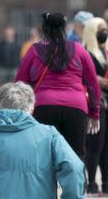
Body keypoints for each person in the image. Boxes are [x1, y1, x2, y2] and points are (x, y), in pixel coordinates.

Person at [16, 12, 102, 159]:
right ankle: (77, 182)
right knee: (76, 156)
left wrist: (20, 110)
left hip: (43, 106)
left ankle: (47, 182)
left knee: (43, 156)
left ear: (43, 28)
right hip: (76, 107)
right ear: (64, 28)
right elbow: (92, 83)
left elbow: (20, 82)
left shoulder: (34, 50)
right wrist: (95, 113)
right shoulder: (79, 49)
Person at [82, 17, 108, 198]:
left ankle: (106, 182)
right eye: (100, 29)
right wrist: (103, 81)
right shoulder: (86, 52)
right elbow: (85, 75)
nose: (104, 32)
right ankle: (91, 183)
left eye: (105, 29)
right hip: (95, 101)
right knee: (95, 144)